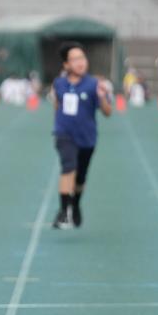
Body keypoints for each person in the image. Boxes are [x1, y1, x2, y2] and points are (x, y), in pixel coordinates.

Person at [51, 42, 112, 229]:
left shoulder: (94, 84)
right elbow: (57, 104)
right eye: (75, 59)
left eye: (82, 58)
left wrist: (102, 97)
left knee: (80, 178)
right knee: (68, 168)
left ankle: (76, 205)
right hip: (64, 135)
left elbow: (108, 112)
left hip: (87, 137)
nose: (80, 62)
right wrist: (59, 123)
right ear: (66, 65)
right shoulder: (59, 83)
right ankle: (63, 212)